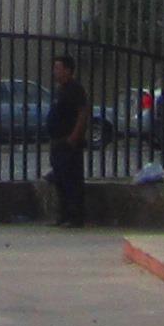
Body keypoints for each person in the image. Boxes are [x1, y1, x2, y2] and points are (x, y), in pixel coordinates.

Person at [45, 54, 92, 230]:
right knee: (60, 179)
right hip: (58, 141)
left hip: (69, 142)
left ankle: (76, 216)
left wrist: (74, 137)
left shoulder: (75, 89)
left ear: (68, 70)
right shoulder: (61, 90)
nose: (55, 72)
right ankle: (63, 215)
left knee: (72, 180)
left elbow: (82, 113)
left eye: (58, 68)